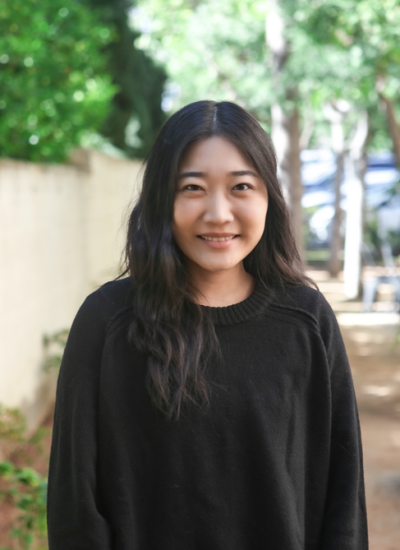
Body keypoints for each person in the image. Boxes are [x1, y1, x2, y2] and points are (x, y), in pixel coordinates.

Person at [47, 100, 368, 550]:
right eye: (193, 188)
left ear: (268, 198)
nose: (218, 213)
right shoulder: (107, 322)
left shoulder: (306, 321)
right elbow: (75, 503)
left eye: (241, 187)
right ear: (161, 198)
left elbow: (343, 495)